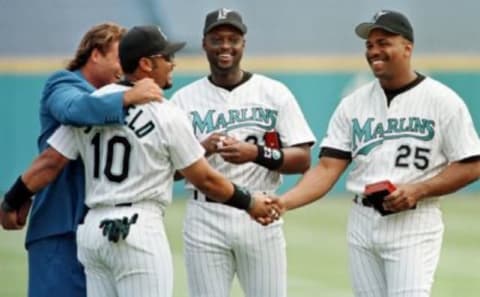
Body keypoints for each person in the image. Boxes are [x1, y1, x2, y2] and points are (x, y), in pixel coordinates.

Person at [1, 25, 278, 297]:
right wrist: (249, 202)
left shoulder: (95, 103)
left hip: (93, 232)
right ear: (146, 64)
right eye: (166, 57)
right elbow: (204, 178)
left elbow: (50, 161)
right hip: (137, 228)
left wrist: (13, 198)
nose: (172, 63)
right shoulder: (164, 112)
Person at [270, 10, 480, 297]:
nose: (374, 51)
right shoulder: (353, 104)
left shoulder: (442, 101)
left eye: (384, 42)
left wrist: (419, 189)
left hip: (414, 220)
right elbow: (327, 168)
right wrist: (283, 202)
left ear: (408, 47)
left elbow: (471, 164)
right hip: (362, 219)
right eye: (369, 45)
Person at [0, 22, 162, 297]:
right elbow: (72, 111)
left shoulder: (119, 96)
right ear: (95, 54)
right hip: (60, 226)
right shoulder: (63, 83)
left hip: (103, 232)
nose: (123, 68)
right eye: (117, 59)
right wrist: (128, 96)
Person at [171, 8, 316, 297]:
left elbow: (302, 159)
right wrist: (200, 149)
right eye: (217, 39)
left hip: (261, 208)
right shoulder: (183, 100)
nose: (225, 46)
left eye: (233, 39)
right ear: (204, 44)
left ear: (243, 44)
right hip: (206, 212)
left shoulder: (273, 92)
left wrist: (256, 153)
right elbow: (168, 171)